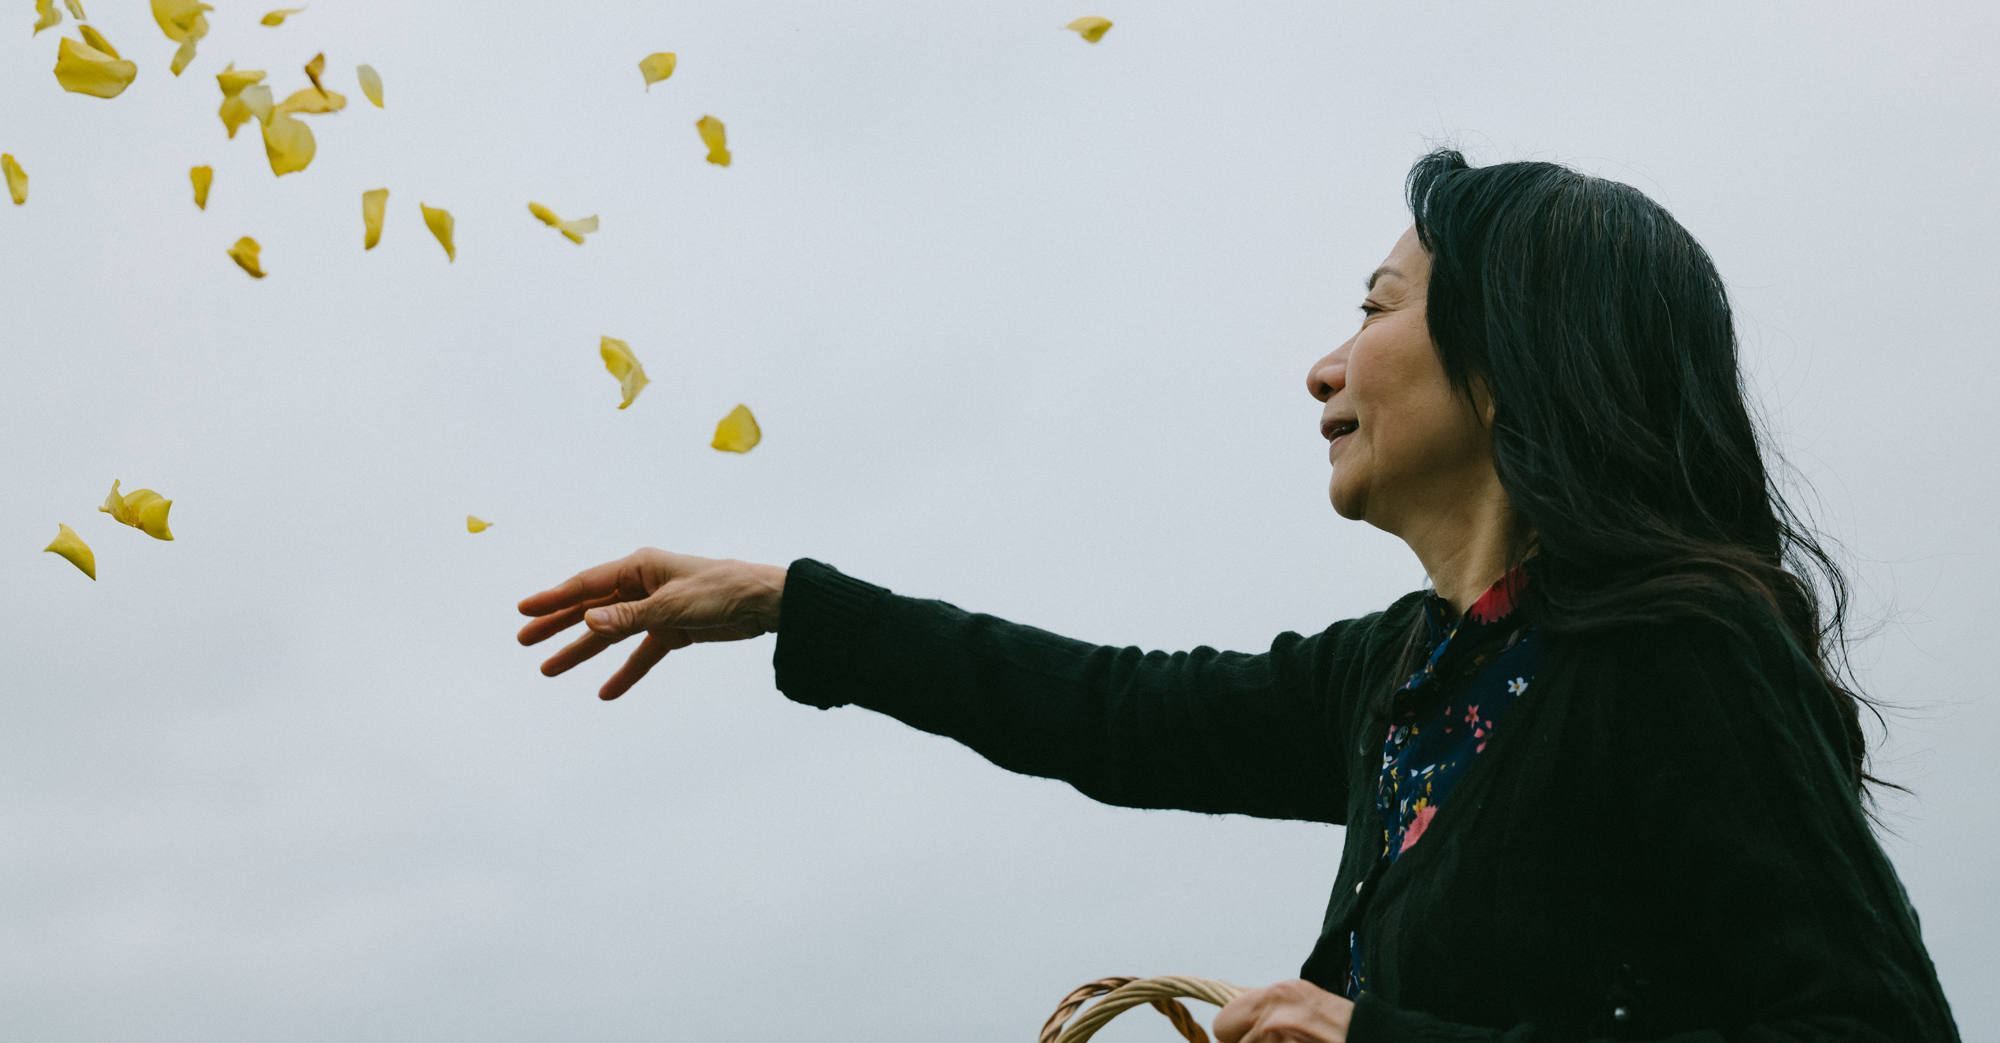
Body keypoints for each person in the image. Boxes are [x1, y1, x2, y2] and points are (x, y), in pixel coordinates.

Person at [515, 150, 1960, 1042]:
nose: (1325, 364)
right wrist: (793, 602)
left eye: (1376, 307)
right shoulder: (1404, 675)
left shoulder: (1676, 652)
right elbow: (1115, 712)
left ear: (1510, 362)